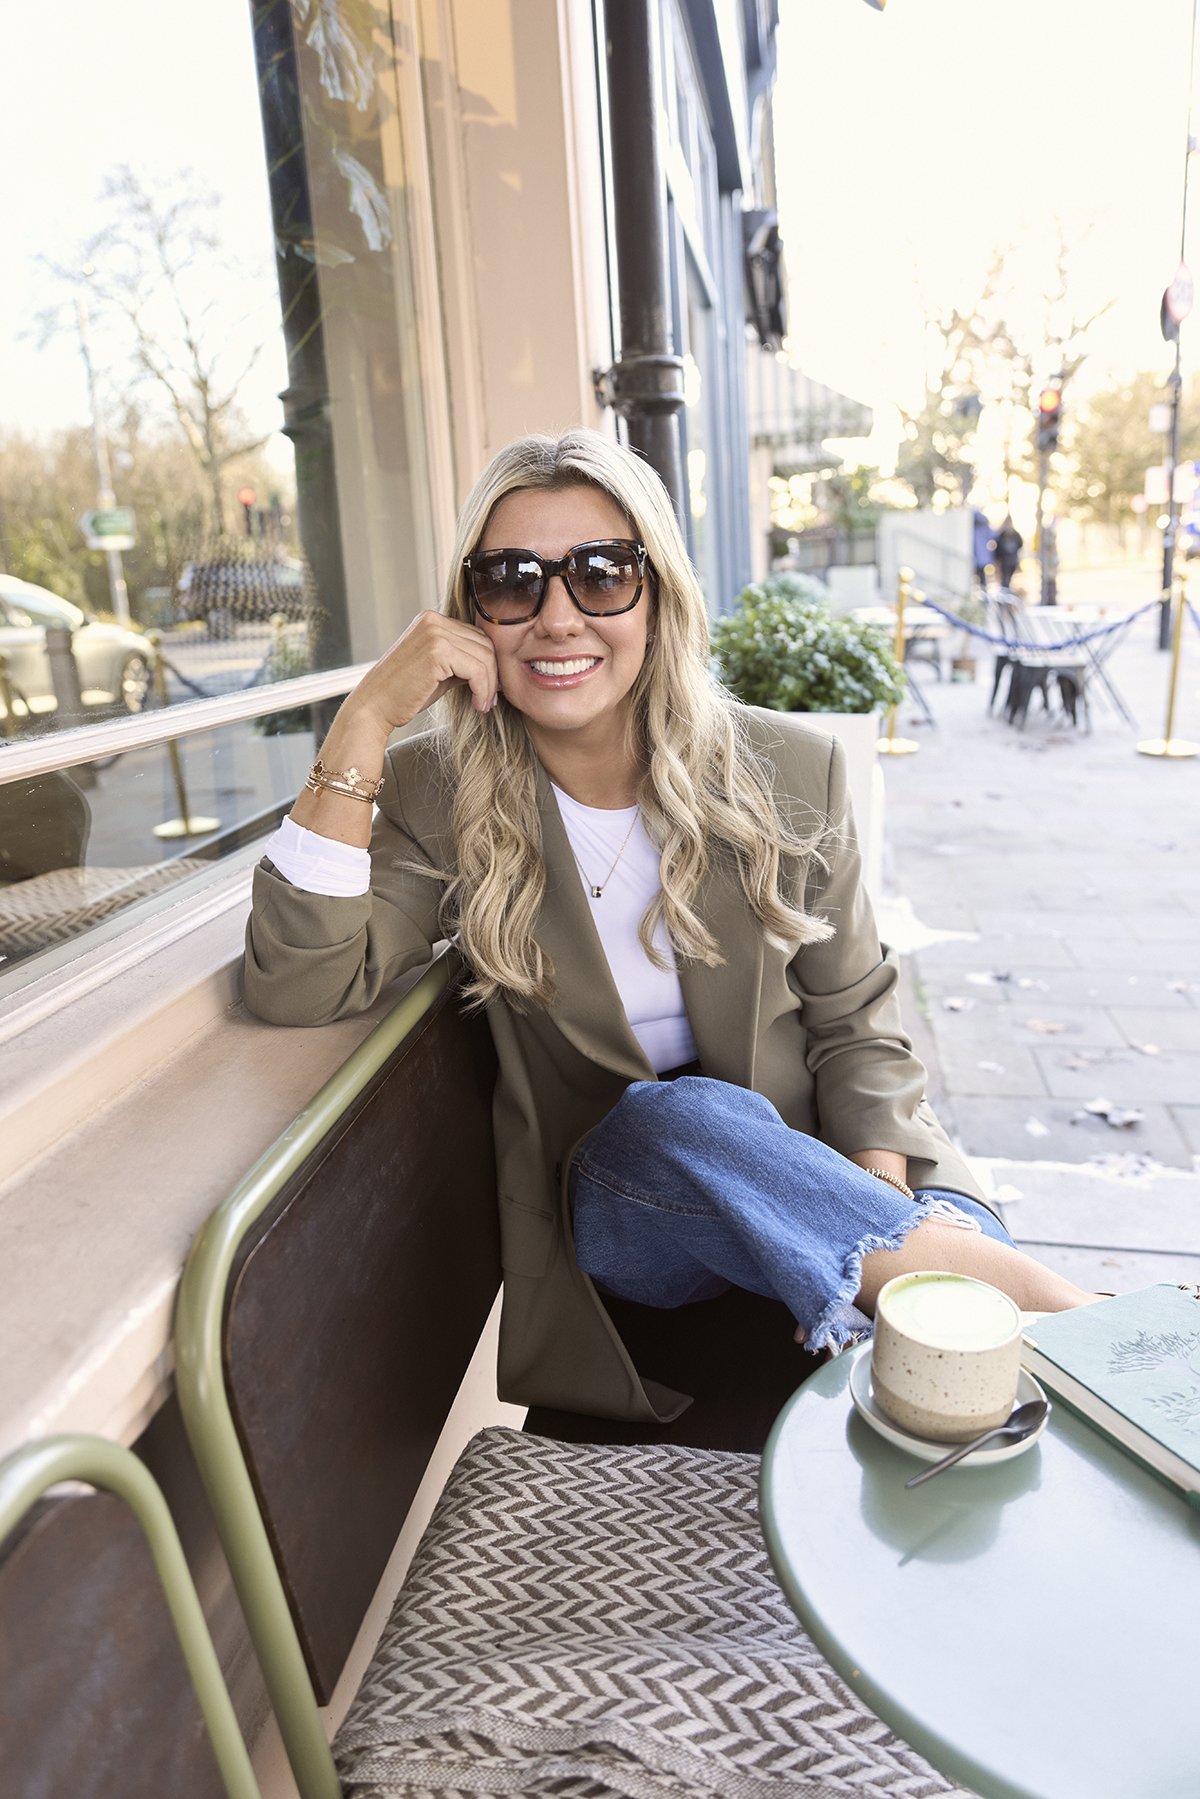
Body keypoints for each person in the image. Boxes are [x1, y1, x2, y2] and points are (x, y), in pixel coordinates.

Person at [243, 430, 1096, 1425]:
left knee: (938, 1269)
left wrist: (879, 1219)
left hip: (826, 1174)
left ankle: (963, 1309)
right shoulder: (446, 791)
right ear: (471, 610)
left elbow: (857, 1019)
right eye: (512, 580)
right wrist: (364, 722)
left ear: (658, 594)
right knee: (680, 1120)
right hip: (628, 1205)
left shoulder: (786, 770)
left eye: (602, 574)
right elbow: (299, 978)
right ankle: (1094, 1332)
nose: (557, 617)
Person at [993, 514, 1024, 590]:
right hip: (1004, 561)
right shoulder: (1001, 535)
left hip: (1011, 560)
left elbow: (1020, 544)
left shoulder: (1015, 535)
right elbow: (997, 548)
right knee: (1004, 578)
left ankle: (1006, 589)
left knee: (1008, 578)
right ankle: (1005, 590)